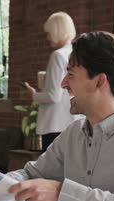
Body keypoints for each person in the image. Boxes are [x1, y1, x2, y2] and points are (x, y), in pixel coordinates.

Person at [7, 31, 114, 201]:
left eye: (70, 74)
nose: (63, 83)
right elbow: (31, 174)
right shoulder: (73, 133)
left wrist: (64, 193)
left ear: (100, 81)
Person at [22, 12, 81, 151]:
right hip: (72, 122)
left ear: (57, 31)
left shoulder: (58, 56)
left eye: (49, 33)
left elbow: (53, 96)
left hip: (55, 125)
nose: (47, 37)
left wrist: (34, 94)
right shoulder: (76, 54)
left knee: (52, 172)